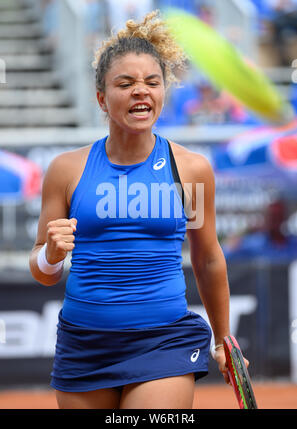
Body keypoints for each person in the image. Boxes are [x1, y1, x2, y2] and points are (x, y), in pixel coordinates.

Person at [29, 10, 238, 409]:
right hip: (83, 343)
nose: (140, 91)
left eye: (152, 82)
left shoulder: (190, 169)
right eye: (125, 84)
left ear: (163, 91)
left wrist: (223, 338)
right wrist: (52, 256)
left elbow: (208, 259)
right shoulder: (66, 170)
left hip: (163, 342)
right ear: (102, 99)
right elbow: (41, 272)